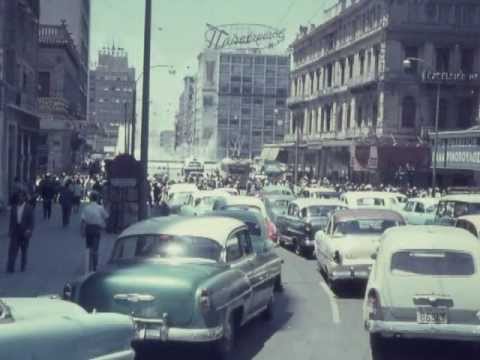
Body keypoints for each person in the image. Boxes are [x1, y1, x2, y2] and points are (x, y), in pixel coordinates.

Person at [6, 190, 34, 273]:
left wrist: (29, 231)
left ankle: (23, 265)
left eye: (22, 196)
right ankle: (10, 267)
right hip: (15, 231)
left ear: (25, 198)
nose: (20, 198)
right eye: (19, 196)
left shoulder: (29, 208)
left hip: (25, 232)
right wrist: (10, 231)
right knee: (12, 250)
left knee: (24, 250)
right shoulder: (14, 208)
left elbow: (31, 222)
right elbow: (11, 220)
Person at [81, 192, 108, 272]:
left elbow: (83, 221)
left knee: (88, 248)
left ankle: (88, 265)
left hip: (88, 229)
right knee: (96, 249)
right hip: (96, 229)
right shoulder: (100, 208)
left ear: (90, 198)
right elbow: (106, 217)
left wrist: (82, 231)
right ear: (97, 199)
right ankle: (95, 267)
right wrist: (104, 226)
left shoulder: (86, 208)